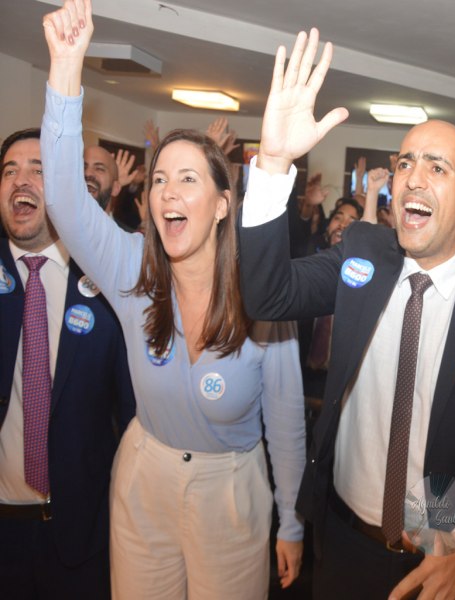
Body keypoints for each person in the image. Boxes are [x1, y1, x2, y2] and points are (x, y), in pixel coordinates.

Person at [238, 28, 455, 600]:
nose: (414, 179)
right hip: (343, 541)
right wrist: (274, 162)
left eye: (437, 168)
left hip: (436, 556)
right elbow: (267, 295)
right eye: (405, 164)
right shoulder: (363, 252)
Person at [39, 2, 306, 597]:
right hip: (144, 478)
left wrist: (290, 520)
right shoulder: (133, 268)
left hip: (231, 490)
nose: (167, 191)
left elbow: (286, 423)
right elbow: (64, 199)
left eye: (189, 179)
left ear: (221, 205)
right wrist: (65, 67)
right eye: (160, 178)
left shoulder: (263, 297)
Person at [0, 127, 135, 599]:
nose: (22, 181)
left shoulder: (107, 284)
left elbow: (132, 415)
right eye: (10, 171)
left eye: (39, 170)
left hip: (83, 538)